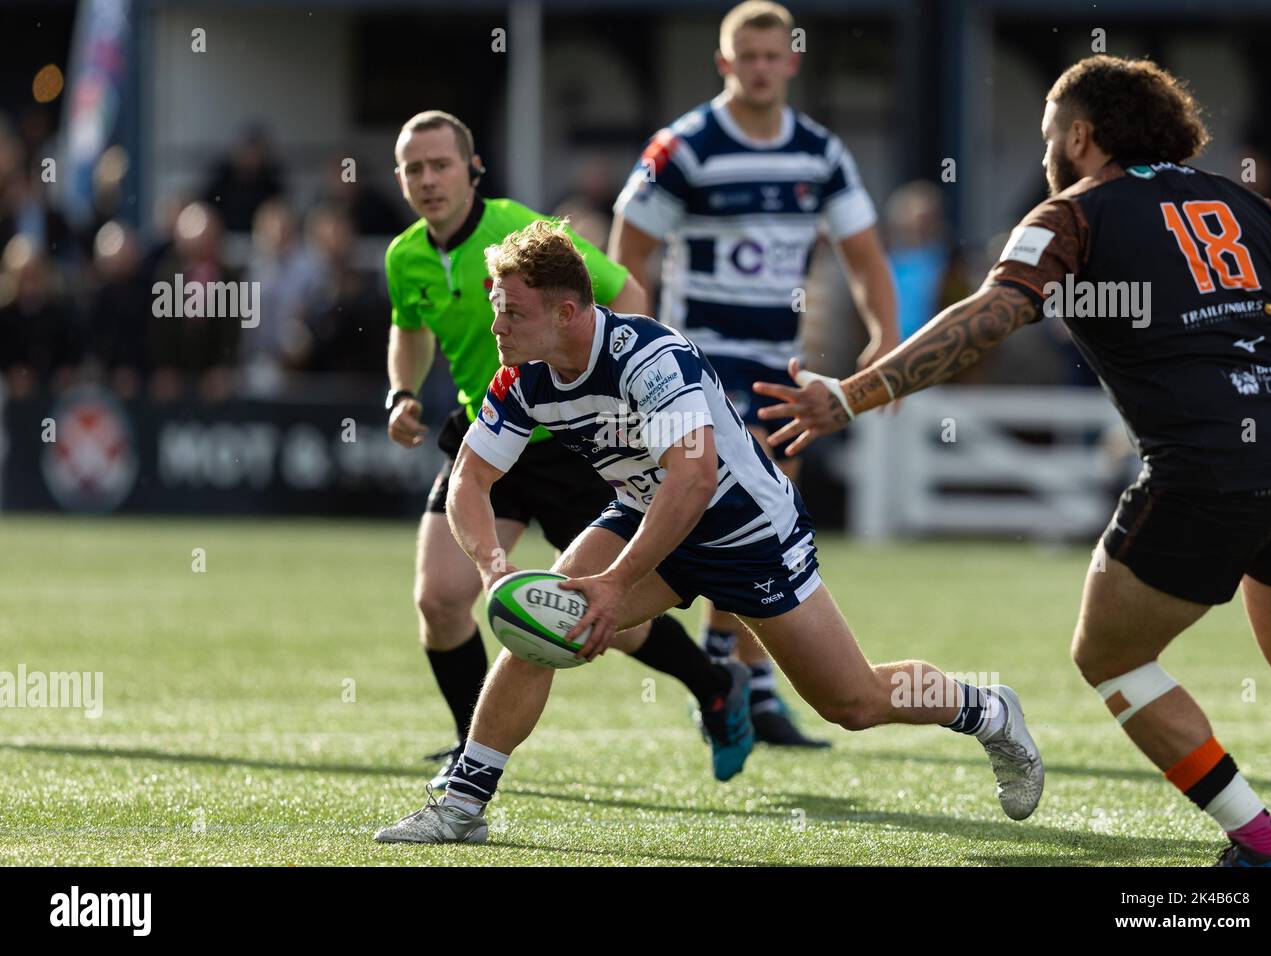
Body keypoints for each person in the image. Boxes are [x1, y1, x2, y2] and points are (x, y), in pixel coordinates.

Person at [755, 55, 1271, 867]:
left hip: (1206, 466)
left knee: (1109, 657)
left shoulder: (1071, 213)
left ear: (1080, 136)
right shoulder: (1254, 206)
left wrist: (853, 394)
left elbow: (993, 312)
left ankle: (1260, 844)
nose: (1045, 152)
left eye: (1050, 135)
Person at [373, 220, 1043, 844]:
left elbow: (693, 483)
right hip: (646, 512)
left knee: (854, 702)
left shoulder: (648, 358)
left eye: (512, 311)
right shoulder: (522, 379)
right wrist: (493, 569)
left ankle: (984, 709)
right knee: (544, 625)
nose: (497, 325)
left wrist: (615, 582)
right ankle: (464, 804)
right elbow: (469, 481)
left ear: (566, 313)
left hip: (745, 533)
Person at [383, 111, 754, 788]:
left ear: (473, 170)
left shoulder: (521, 237)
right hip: (489, 436)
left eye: (440, 165)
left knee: (598, 617)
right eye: (413, 168)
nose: (427, 180)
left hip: (571, 446)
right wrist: (401, 391)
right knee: (441, 600)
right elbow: (408, 327)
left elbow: (625, 293)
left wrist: (634, 395)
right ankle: (474, 750)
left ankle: (716, 686)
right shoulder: (404, 255)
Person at [608, 1, 899, 746]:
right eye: (748, 55)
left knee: (763, 517)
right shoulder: (686, 147)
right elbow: (627, 254)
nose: (762, 67)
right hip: (698, 358)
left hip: (778, 361)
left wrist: (886, 339)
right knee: (749, 512)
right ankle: (743, 683)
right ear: (724, 63)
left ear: (792, 61)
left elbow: (863, 254)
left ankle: (730, 676)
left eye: (774, 55)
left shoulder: (819, 152)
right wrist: (636, 350)